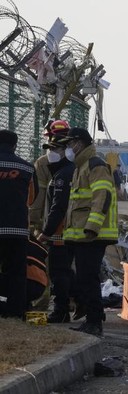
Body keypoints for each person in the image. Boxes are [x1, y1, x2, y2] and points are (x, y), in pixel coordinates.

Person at [58, 128, 119, 336]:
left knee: (88, 277)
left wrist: (92, 228)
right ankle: (93, 318)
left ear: (80, 143)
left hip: (93, 235)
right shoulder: (80, 167)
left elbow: (102, 197)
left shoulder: (95, 165)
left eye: (70, 144)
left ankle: (94, 321)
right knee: (84, 278)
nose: (67, 148)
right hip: (82, 236)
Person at [36, 134, 76, 323]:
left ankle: (61, 311)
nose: (50, 153)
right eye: (49, 149)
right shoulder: (65, 172)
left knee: (59, 274)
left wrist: (46, 232)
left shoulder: (62, 175)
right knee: (65, 273)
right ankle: (73, 304)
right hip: (65, 233)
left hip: (60, 234)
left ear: (66, 152)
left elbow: (58, 208)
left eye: (55, 149)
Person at [0, 130, 37, 318]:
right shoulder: (27, 168)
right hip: (17, 230)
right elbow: (32, 198)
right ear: (15, 145)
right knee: (16, 273)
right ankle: (15, 311)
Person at [29, 119, 70, 231]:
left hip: (51, 224)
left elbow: (38, 197)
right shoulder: (77, 161)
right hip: (70, 225)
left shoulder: (43, 163)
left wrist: (33, 224)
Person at [0, 235, 48, 315]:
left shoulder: (10, 240)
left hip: (22, 282)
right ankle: (24, 307)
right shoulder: (35, 244)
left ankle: (11, 309)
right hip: (40, 287)